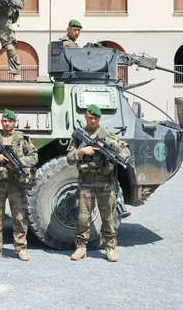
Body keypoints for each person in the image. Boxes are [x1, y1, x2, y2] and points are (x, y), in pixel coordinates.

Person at [66, 104, 130, 262]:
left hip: (105, 183)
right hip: (86, 182)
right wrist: (81, 152)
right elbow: (69, 158)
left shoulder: (107, 135)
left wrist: (114, 151)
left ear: (99, 119)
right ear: (86, 117)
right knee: (83, 217)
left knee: (108, 217)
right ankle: (81, 248)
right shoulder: (79, 136)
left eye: (95, 118)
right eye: (89, 117)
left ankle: (110, 248)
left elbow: (125, 152)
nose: (92, 120)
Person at [0, 109, 38, 261]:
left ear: (14, 122)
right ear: (1, 122)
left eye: (9, 121)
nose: (7, 123)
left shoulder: (22, 138)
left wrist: (18, 163)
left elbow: (34, 157)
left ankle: (21, 248)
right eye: (4, 121)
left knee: (19, 217)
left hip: (15, 184)